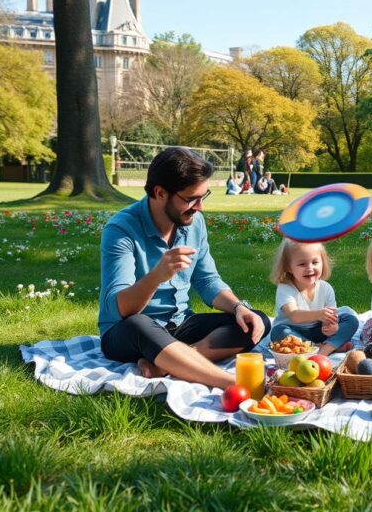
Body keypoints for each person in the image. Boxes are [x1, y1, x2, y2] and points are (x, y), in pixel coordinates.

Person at [98, 147, 271, 389]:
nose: (199, 207)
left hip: (179, 324)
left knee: (255, 321)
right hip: (128, 332)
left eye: (203, 196)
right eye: (191, 199)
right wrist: (157, 275)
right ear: (160, 193)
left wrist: (238, 307)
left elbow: (208, 281)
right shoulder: (121, 230)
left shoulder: (193, 222)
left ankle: (166, 363)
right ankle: (231, 383)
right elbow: (119, 309)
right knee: (139, 324)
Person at [269, 238, 357, 355]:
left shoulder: (325, 288)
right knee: (278, 332)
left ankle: (325, 348)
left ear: (322, 262)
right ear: (288, 267)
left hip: (318, 330)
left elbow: (331, 318)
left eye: (315, 262)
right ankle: (320, 347)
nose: (310, 268)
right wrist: (319, 314)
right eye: (302, 264)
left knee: (351, 320)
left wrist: (332, 327)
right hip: (293, 331)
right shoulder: (285, 288)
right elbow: (294, 315)